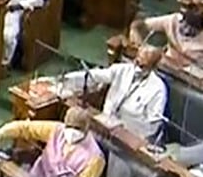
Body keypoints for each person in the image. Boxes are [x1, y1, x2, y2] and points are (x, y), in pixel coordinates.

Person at [39, 45, 167, 142]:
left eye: (143, 66)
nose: (137, 68)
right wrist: (65, 79)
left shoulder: (158, 89)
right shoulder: (123, 70)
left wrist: (125, 128)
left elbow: (152, 126)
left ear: (153, 68)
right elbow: (94, 76)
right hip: (103, 125)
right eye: (137, 62)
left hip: (128, 139)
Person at [129, 2, 203, 67]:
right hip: (163, 65)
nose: (187, 30)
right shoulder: (173, 20)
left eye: (193, 29)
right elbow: (139, 25)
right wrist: (140, 45)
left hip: (189, 77)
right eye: (185, 25)